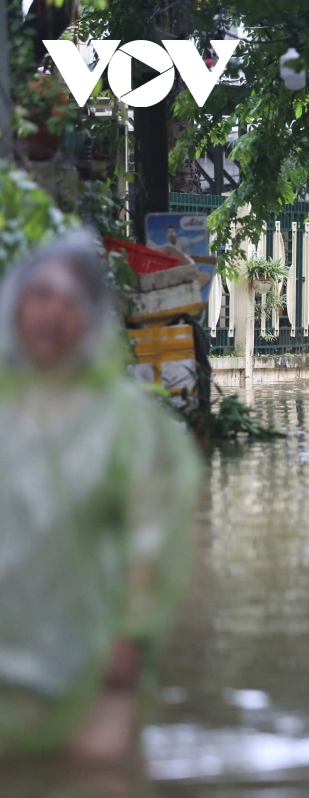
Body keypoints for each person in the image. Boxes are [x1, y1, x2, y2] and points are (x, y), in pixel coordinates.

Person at [0, 231, 200, 761]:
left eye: (68, 302)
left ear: (88, 319)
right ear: (16, 305)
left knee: (99, 778)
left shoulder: (124, 423)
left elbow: (151, 537)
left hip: (96, 665)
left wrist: (130, 636)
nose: (50, 314)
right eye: (39, 297)